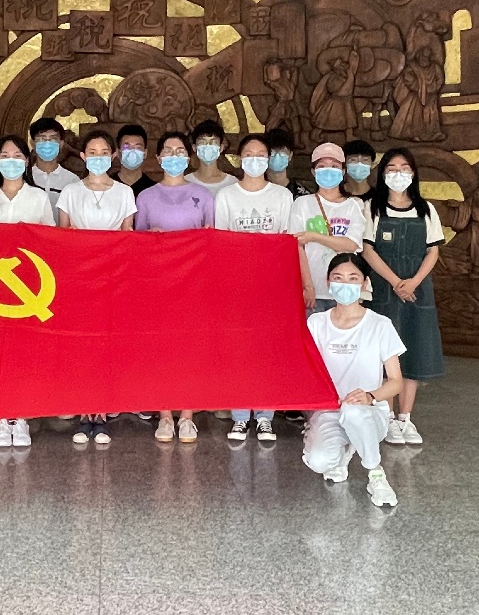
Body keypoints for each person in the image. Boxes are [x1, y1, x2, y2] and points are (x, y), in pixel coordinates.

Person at [216, 133, 315, 443]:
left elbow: (289, 242)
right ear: (239, 159)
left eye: (261, 155)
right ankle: (239, 417)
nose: (255, 160)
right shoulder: (226, 196)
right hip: (237, 285)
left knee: (269, 351)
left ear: (269, 159)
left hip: (274, 285)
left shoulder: (282, 196)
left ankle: (265, 417)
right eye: (250, 154)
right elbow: (221, 242)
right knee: (239, 351)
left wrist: (304, 283)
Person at [302, 253, 404, 508]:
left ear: (364, 283)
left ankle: (376, 474)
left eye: (352, 278)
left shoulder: (380, 325)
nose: (344, 284)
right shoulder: (316, 323)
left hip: (369, 411)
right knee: (319, 461)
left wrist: (370, 396)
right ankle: (344, 451)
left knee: (354, 410)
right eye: (338, 278)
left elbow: (396, 382)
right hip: (330, 411)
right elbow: (304, 371)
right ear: (328, 282)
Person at [0, 135, 55, 449]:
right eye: (5, 155)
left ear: (27, 161)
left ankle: (21, 417)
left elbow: (49, 240)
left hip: (29, 285)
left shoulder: (38, 197)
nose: (11, 161)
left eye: (17, 155)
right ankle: (0, 417)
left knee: (23, 354)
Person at [57, 129, 136, 446]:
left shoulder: (125, 193)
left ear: (113, 156)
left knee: (107, 344)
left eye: (105, 152)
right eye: (93, 152)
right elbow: (61, 237)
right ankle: (83, 410)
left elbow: (128, 237)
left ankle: (101, 413)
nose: (99, 157)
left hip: (113, 279)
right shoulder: (70, 192)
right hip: (79, 278)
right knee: (81, 345)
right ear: (83, 156)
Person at [134, 131, 214, 444]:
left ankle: (187, 417)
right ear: (158, 158)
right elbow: (136, 244)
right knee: (161, 349)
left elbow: (213, 240)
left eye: (180, 151)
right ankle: (165, 415)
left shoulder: (203, 195)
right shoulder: (146, 197)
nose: (174, 156)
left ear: (189, 157)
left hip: (194, 284)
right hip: (158, 285)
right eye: (168, 151)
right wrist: (151, 238)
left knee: (190, 350)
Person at [362, 147, 446, 446]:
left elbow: (433, 251)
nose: (398, 174)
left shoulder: (426, 209)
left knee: (414, 351)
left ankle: (405, 418)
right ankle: (385, 417)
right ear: (382, 173)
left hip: (417, 290)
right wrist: (397, 282)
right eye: (392, 168)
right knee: (386, 354)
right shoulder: (372, 207)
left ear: (413, 173)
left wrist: (413, 283)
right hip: (384, 289)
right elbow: (367, 250)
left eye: (404, 168)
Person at [290, 142, 366, 313]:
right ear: (313, 172)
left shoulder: (354, 205)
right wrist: (308, 286)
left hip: (345, 289)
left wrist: (314, 237)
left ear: (343, 171)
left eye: (334, 166)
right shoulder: (302, 203)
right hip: (312, 291)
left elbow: (351, 244)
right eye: (322, 166)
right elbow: (297, 247)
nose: (328, 170)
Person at [29, 117, 80, 210]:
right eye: (42, 139)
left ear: (61, 144)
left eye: (53, 139)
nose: (47, 143)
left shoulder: (72, 181)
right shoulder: (25, 178)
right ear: (33, 143)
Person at [185, 119, 238, 195]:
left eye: (213, 142)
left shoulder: (233, 183)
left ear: (221, 148)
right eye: (202, 142)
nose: (208, 146)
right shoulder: (186, 182)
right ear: (194, 148)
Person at [111, 123, 157, 198]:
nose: (132, 151)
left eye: (138, 147)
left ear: (145, 153)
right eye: (126, 147)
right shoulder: (107, 186)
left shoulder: (153, 190)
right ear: (118, 153)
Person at [266, 126, 313, 198]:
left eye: (282, 152)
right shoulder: (256, 190)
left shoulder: (301, 195)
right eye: (272, 152)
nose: (277, 156)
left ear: (290, 155)